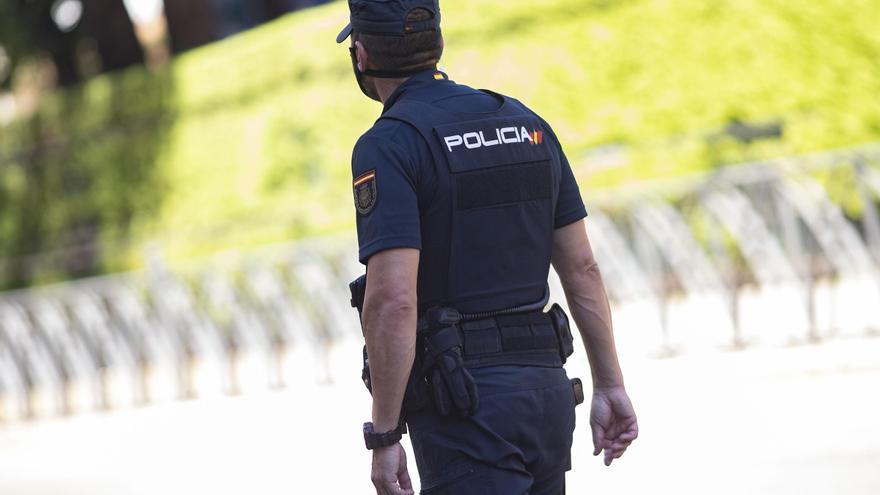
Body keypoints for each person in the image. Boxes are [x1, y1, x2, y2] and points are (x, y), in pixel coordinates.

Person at [337, 1, 638, 493]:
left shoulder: (389, 144)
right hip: (546, 397)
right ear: (437, 43)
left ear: (362, 55)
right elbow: (582, 268)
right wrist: (610, 383)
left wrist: (385, 433)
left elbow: (393, 300)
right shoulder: (526, 122)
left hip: (466, 411)